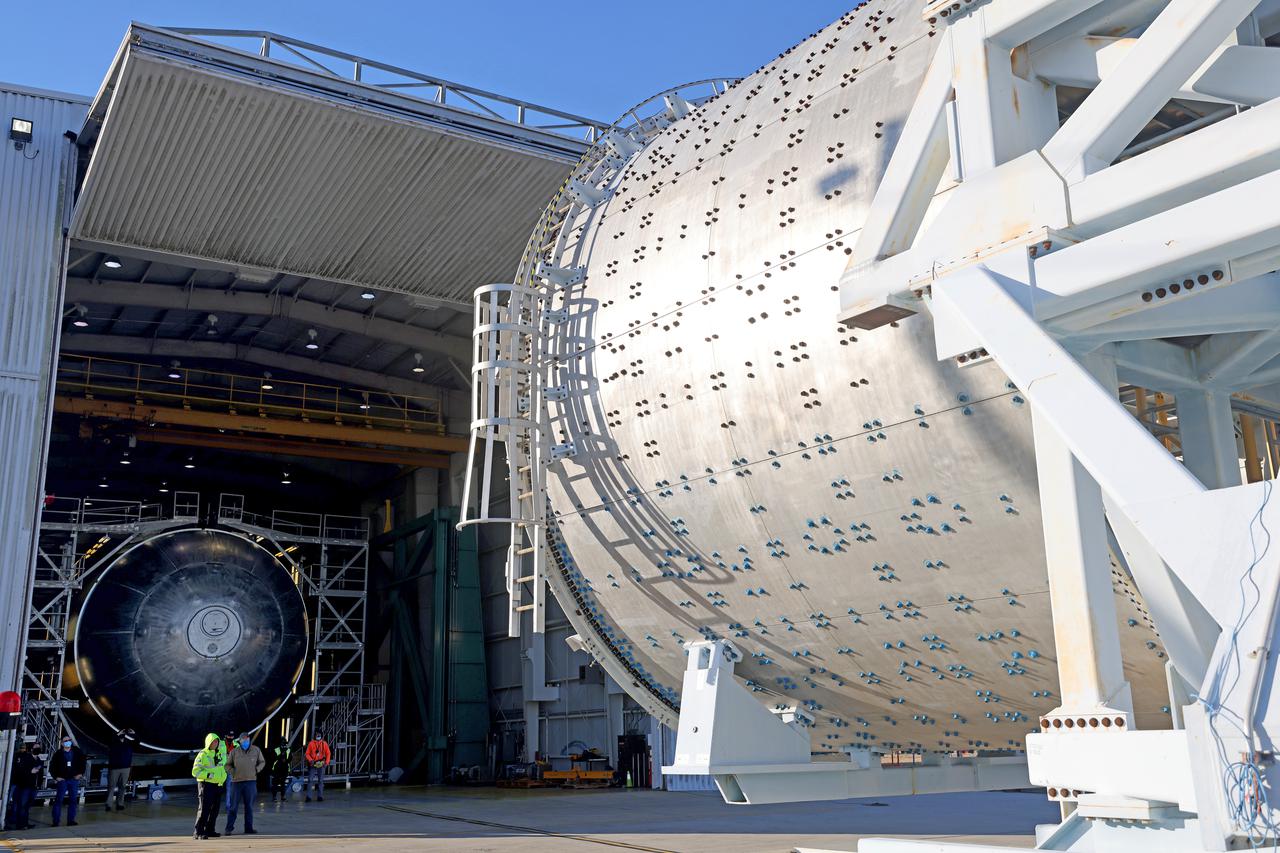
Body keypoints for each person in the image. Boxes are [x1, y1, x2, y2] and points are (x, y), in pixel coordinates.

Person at [224, 732, 265, 835]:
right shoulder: (234, 752)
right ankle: (229, 828)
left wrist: (257, 769)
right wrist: (232, 772)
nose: (245, 742)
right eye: (243, 740)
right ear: (240, 741)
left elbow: (262, 762)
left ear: (249, 739)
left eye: (247, 740)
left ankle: (248, 828)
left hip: (250, 782)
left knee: (249, 807)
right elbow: (227, 765)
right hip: (236, 783)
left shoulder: (256, 750)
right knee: (233, 807)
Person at [191, 733, 226, 840]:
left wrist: (222, 777)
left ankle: (210, 830)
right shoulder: (202, 755)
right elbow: (195, 771)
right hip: (206, 785)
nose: (215, 743)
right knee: (204, 809)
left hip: (218, 785)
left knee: (215, 810)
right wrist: (208, 775)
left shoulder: (219, 754)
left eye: (217, 742)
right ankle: (198, 831)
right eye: (213, 742)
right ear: (208, 743)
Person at [48, 736, 85, 827]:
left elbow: (82, 762)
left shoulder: (77, 751)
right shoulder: (58, 754)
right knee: (58, 800)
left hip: (73, 779)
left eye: (69, 740)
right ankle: (56, 821)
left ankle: (71, 820)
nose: (68, 742)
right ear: (62, 743)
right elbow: (52, 766)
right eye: (66, 741)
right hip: (63, 780)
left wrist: (80, 773)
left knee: (73, 800)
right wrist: (56, 777)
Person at [7, 742, 41, 830]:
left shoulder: (39, 759)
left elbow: (40, 773)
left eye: (38, 747)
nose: (38, 748)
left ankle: (25, 823)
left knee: (27, 806)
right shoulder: (25, 758)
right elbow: (19, 771)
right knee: (22, 805)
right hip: (25, 786)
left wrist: (39, 784)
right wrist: (30, 771)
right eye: (36, 747)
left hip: (34, 786)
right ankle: (20, 824)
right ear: (31, 749)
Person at [106, 728, 136, 811]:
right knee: (111, 786)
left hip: (125, 768)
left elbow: (137, 742)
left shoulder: (129, 743)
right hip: (114, 768)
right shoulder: (113, 743)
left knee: (122, 786)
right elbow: (110, 742)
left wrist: (133, 734)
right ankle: (109, 804)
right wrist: (117, 734)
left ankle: (120, 803)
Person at [304, 735, 330, 802]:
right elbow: (307, 754)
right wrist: (310, 760)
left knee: (320, 781)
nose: (317, 736)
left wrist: (326, 763)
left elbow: (328, 754)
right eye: (317, 734)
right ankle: (308, 797)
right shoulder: (311, 743)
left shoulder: (324, 743)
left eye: (319, 735)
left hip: (321, 764)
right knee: (310, 780)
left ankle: (320, 796)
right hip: (313, 764)